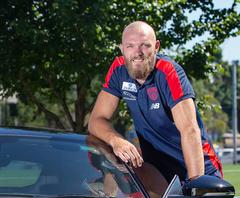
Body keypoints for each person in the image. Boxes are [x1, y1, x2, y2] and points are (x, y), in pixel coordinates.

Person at [89, 21, 223, 185]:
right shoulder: (118, 70)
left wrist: (196, 184)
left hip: (198, 168)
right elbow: (96, 120)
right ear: (122, 48)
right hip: (158, 172)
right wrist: (116, 140)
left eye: (145, 45)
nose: (137, 52)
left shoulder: (169, 71)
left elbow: (189, 130)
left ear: (156, 46)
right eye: (130, 46)